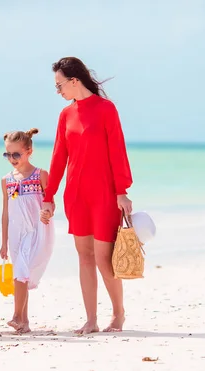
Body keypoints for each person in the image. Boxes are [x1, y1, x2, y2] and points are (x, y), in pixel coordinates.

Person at [41, 57, 133, 334]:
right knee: (84, 256)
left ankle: (118, 314)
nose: (58, 92)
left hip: (104, 194)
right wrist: (49, 194)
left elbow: (117, 150)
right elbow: (59, 157)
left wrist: (122, 191)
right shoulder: (65, 115)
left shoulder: (106, 109)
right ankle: (91, 319)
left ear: (74, 80)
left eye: (59, 85)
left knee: (104, 258)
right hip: (77, 195)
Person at [0, 128, 55, 333]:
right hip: (16, 232)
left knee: (22, 271)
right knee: (19, 273)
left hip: (37, 230)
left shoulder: (40, 174)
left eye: (16, 154)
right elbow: (5, 213)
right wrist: (4, 241)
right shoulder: (6, 180)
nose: (12, 159)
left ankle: (16, 315)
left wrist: (47, 213)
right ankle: (24, 322)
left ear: (29, 151)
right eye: (8, 154)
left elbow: (50, 203)